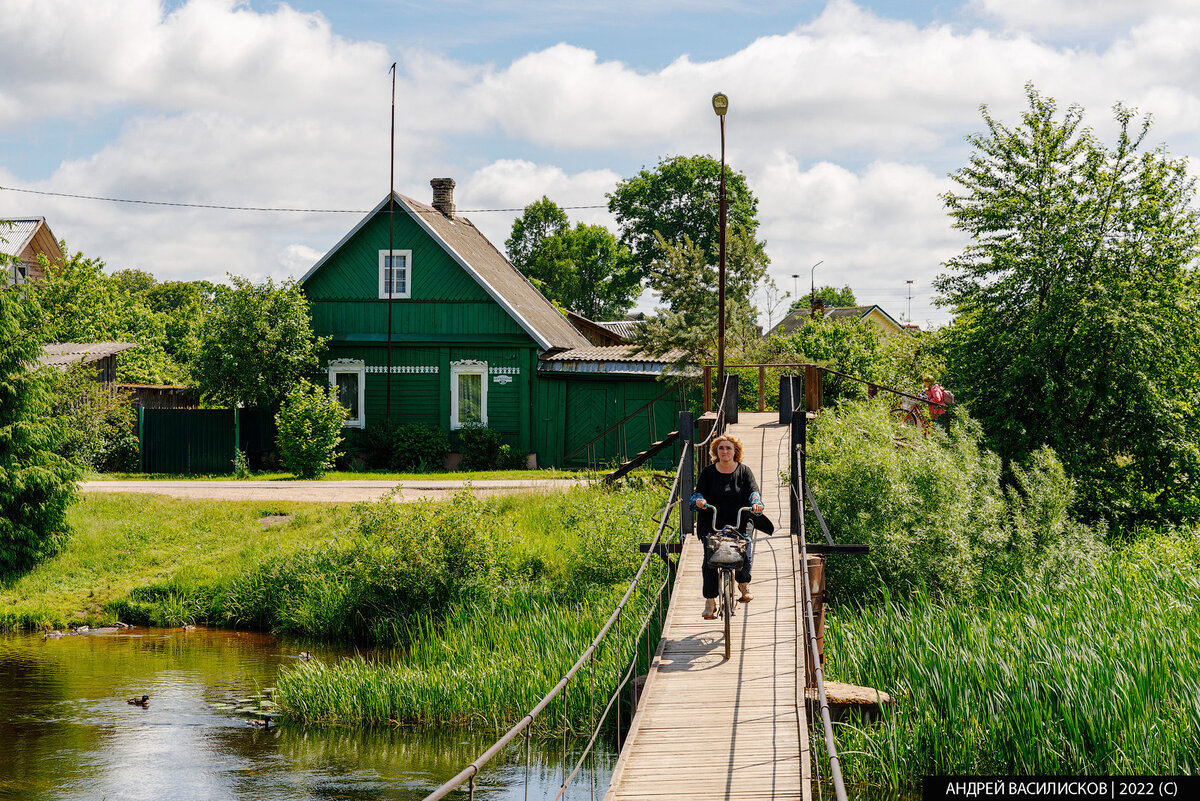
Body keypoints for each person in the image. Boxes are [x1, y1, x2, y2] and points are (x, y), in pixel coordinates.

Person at [689, 435, 764, 620]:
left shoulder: (744, 471)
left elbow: (754, 491)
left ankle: (743, 583)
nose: (725, 452)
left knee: (744, 547)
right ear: (716, 451)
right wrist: (699, 501)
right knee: (710, 557)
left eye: (728, 448)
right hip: (712, 519)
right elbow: (698, 493)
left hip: (739, 518)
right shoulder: (708, 472)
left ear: (735, 451)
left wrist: (756, 503)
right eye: (721, 448)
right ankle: (710, 600)